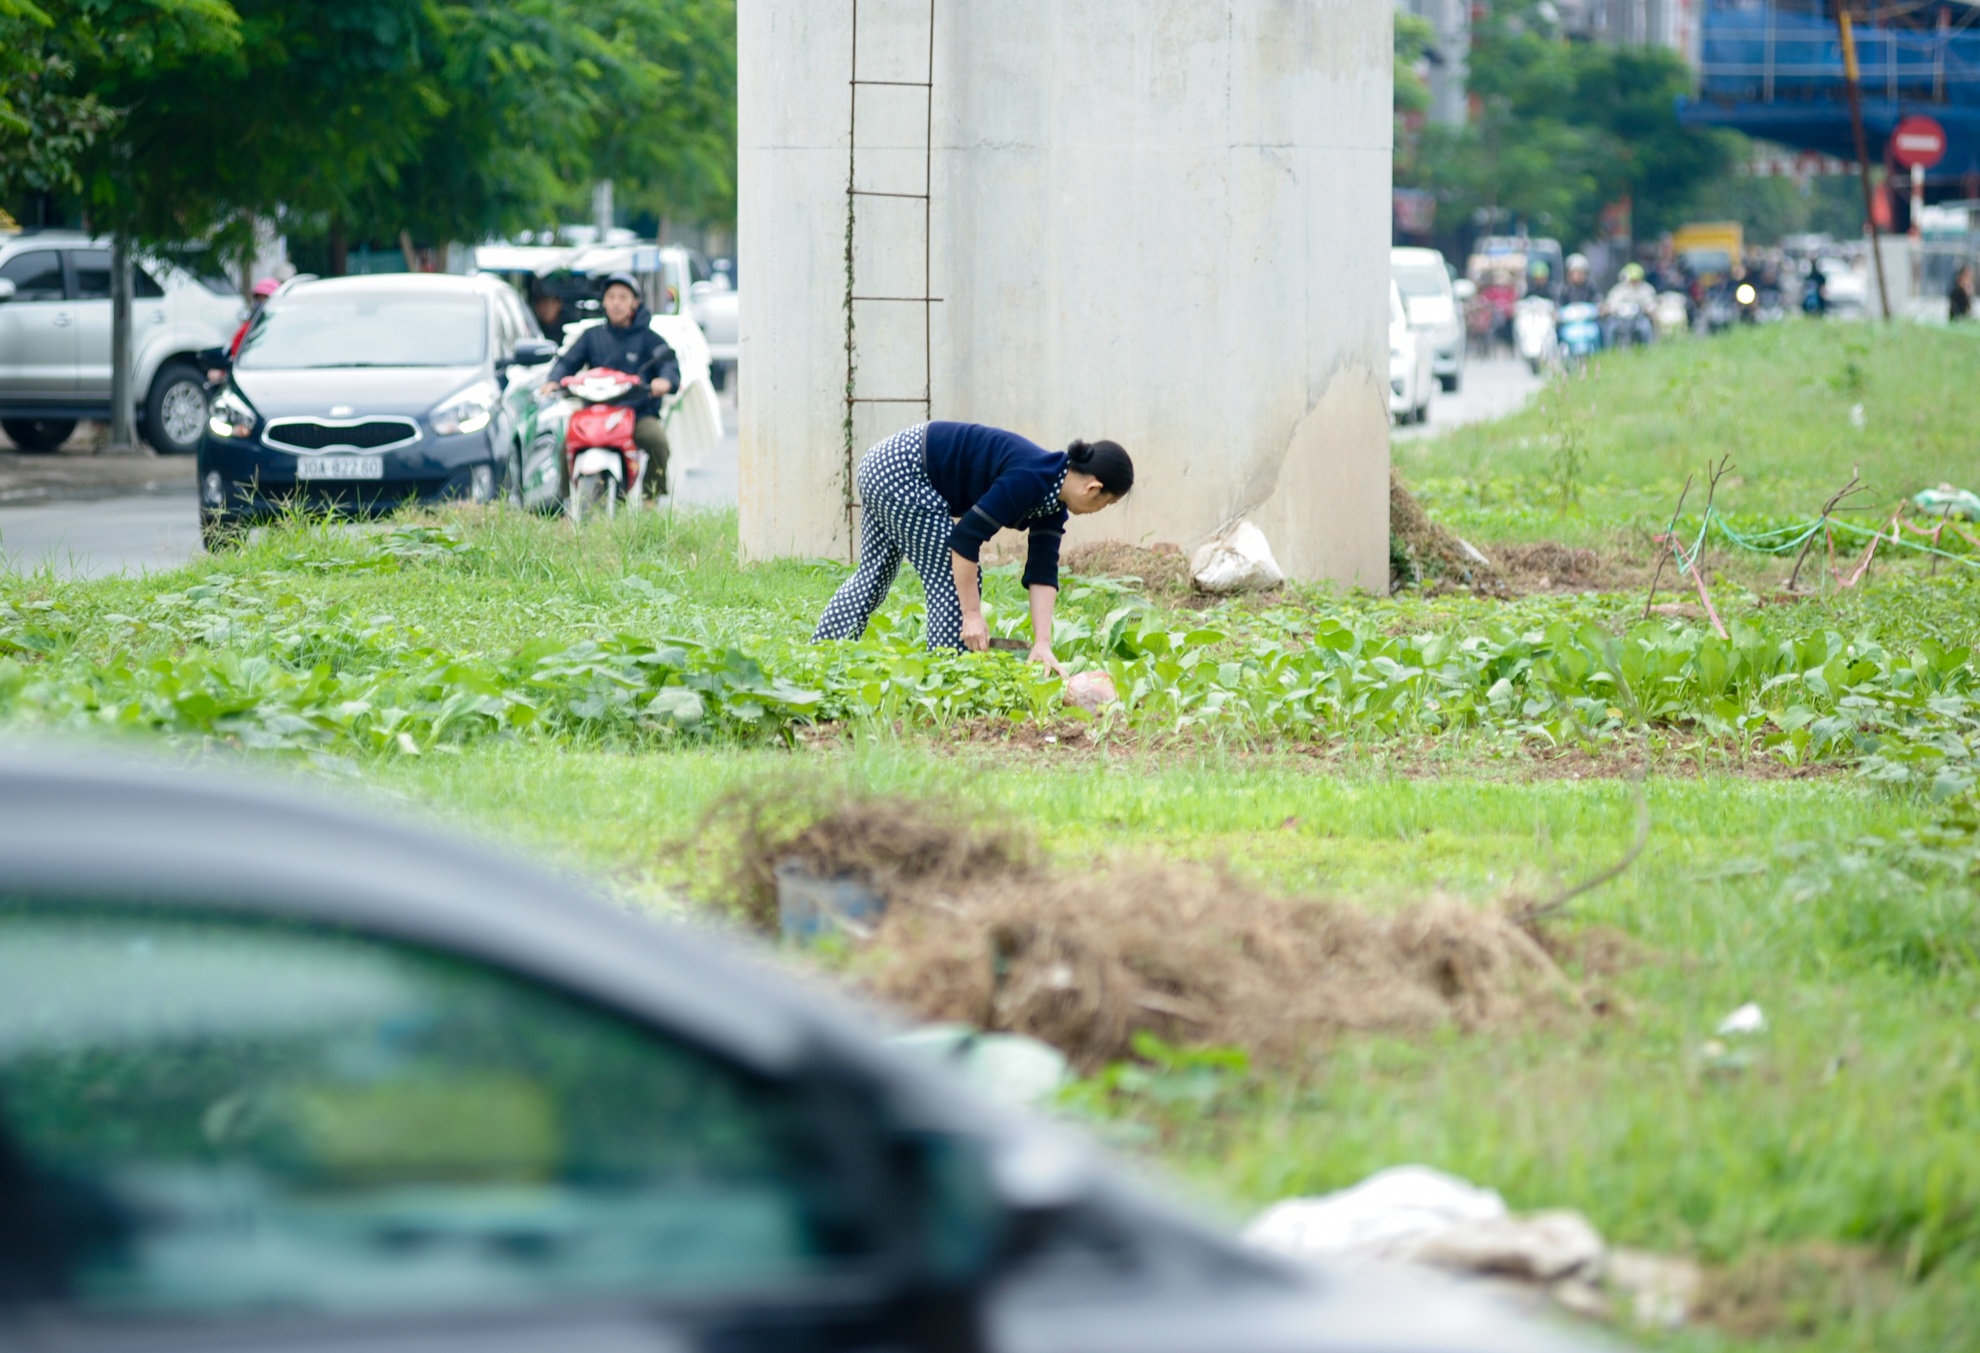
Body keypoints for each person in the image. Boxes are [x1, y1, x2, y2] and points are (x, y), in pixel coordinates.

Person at [812, 422, 1133, 669]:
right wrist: (972, 614)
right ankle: (947, 674)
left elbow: (1042, 572)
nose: (1097, 512)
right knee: (951, 580)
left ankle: (820, 655)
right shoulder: (1031, 478)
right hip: (902, 470)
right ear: (1093, 488)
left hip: (883, 464)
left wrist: (1043, 643)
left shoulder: (1052, 498)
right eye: (1104, 505)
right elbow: (965, 540)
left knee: (874, 574)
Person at [541, 272, 678, 495]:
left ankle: (650, 500)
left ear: (635, 302)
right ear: (604, 301)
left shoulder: (650, 338)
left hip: (637, 413)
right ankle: (564, 505)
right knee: (565, 445)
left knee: (657, 443)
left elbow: (668, 364)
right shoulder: (592, 336)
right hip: (596, 412)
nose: (616, 303)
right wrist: (553, 381)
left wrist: (664, 381)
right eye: (611, 296)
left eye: (623, 297)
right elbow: (567, 362)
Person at [207, 277, 281, 384]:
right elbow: (235, 356)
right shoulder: (248, 328)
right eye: (258, 299)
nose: (261, 304)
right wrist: (222, 372)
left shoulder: (284, 331)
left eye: (265, 299)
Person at [1603, 262, 1658, 348]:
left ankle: (1649, 348)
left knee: (1646, 327)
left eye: (1636, 280)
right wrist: (1609, 309)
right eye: (1632, 280)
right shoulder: (1619, 290)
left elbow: (1650, 303)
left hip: (1638, 318)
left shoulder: (1645, 289)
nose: (1634, 282)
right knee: (1610, 327)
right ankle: (1608, 349)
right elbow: (1612, 302)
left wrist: (1649, 309)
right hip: (1619, 319)